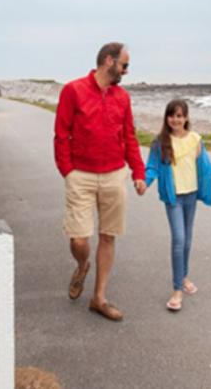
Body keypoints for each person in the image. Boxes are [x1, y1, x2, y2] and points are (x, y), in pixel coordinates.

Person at [53, 42, 147, 321]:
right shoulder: (73, 90)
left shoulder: (122, 97)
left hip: (114, 174)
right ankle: (82, 264)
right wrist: (68, 171)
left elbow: (129, 136)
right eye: (124, 65)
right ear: (109, 61)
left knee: (108, 235)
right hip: (80, 175)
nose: (126, 71)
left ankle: (99, 298)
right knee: (79, 238)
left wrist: (138, 173)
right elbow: (61, 134)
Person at [144, 100, 211, 312]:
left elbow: (207, 168)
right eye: (172, 115)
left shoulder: (195, 140)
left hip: (191, 196)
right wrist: (144, 181)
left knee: (187, 240)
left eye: (179, 116)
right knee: (178, 239)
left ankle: (184, 275)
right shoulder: (160, 142)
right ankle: (177, 289)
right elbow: (152, 167)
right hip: (174, 198)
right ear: (166, 118)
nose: (175, 119)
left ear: (186, 117)